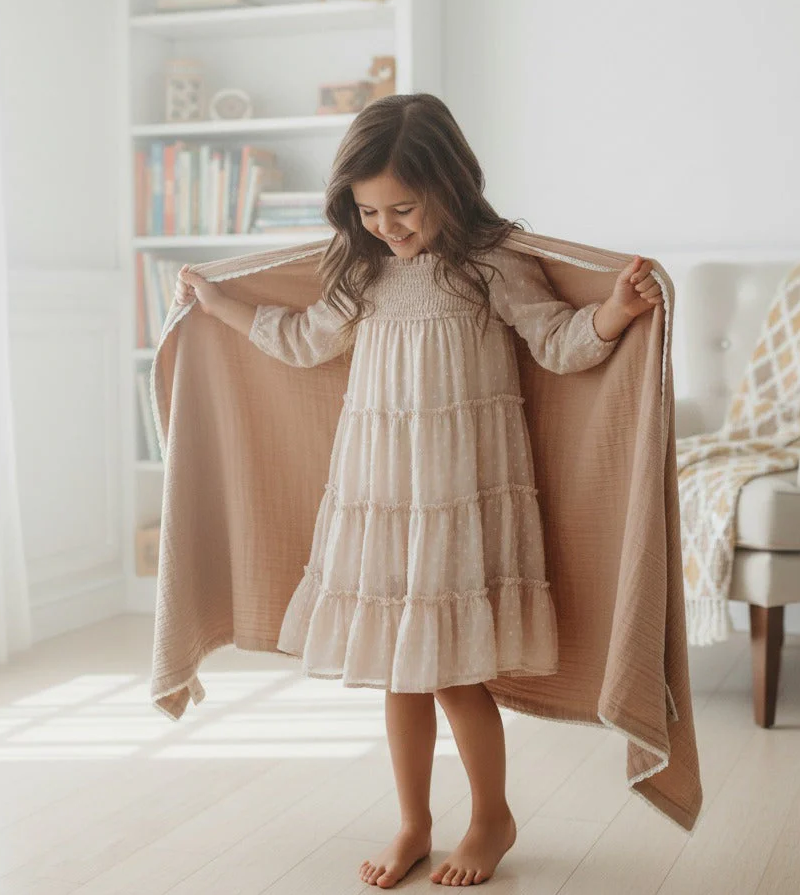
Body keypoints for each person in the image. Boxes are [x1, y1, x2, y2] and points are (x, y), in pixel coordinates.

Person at [173, 93, 662, 889]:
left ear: (451, 185)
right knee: (395, 667)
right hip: (380, 492)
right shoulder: (359, 269)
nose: (387, 226)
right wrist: (223, 305)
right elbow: (302, 340)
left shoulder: (491, 261)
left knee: (450, 672)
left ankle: (490, 817)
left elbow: (558, 343)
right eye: (367, 210)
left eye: (403, 207)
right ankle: (411, 821)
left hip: (459, 497)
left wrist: (611, 311)